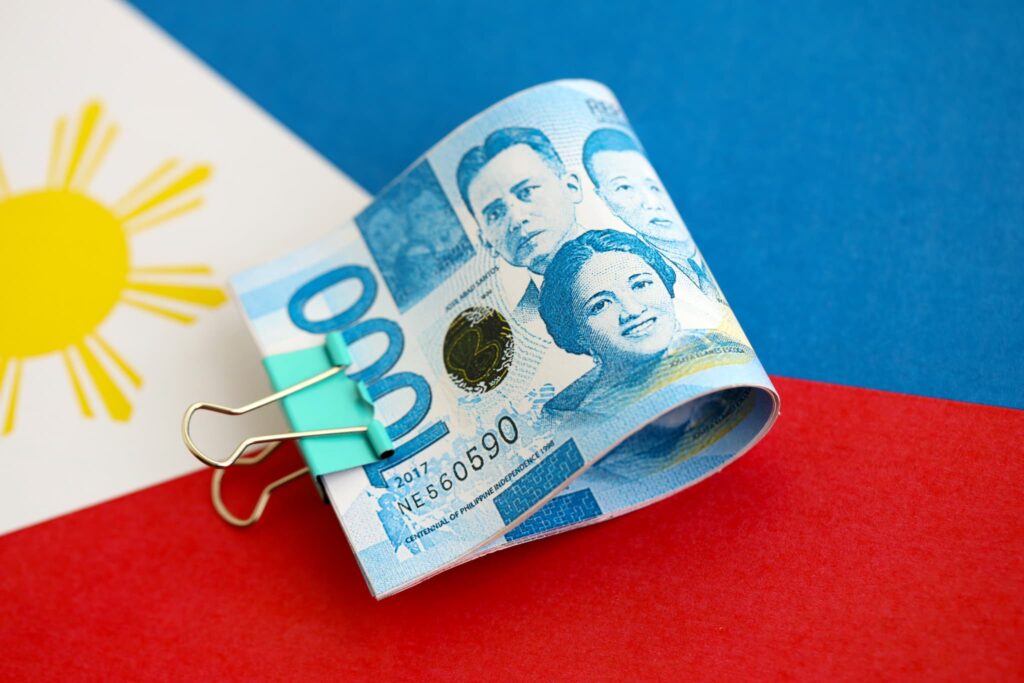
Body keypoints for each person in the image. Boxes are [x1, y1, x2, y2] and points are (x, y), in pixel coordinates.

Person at [539, 230, 745, 420]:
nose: (633, 311)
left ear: (664, 284)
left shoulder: (717, 346)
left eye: (641, 284)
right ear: (578, 335)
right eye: (601, 305)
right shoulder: (573, 419)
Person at [582, 128, 725, 304]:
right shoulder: (636, 276)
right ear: (604, 199)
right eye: (625, 187)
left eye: (653, 187)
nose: (651, 202)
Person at [457, 127, 584, 317]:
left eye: (526, 192)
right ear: (486, 241)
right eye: (495, 213)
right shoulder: (524, 319)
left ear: (571, 187)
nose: (516, 219)